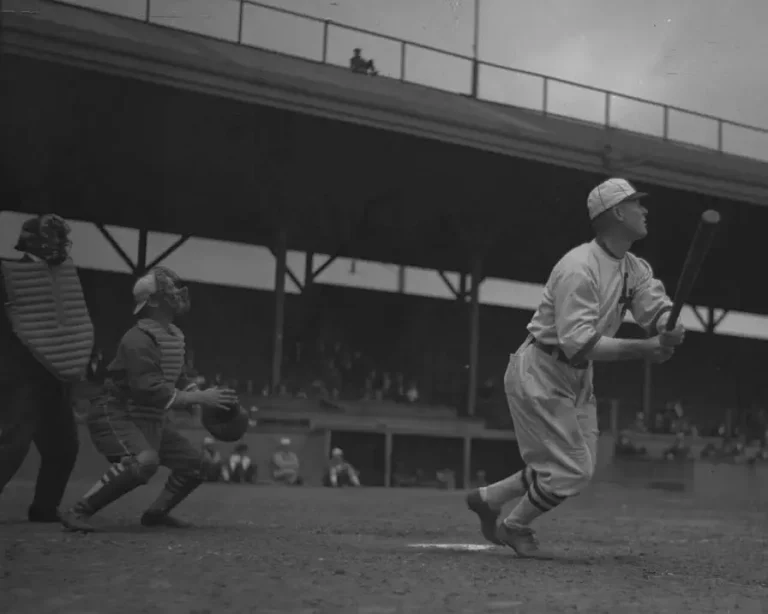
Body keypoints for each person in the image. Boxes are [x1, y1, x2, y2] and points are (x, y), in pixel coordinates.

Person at [465, 178, 685, 558]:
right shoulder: (579, 268)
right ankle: (514, 526)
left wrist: (667, 323)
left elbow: (653, 303)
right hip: (542, 369)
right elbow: (578, 342)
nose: (644, 210)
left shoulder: (633, 266)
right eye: (636, 204)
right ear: (617, 212)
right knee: (574, 470)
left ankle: (488, 499)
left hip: (577, 374)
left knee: (568, 463)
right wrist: (646, 348)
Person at [60, 266, 238, 532]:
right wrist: (199, 396)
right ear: (152, 301)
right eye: (169, 289)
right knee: (144, 461)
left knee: (198, 465)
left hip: (150, 416)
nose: (178, 294)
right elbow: (150, 389)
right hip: (117, 411)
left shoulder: (172, 336)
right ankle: (79, 511)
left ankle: (157, 513)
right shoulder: (137, 339)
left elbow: (175, 376)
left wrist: (203, 393)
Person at [0, 214, 94, 522]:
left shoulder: (64, 278)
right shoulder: (6, 276)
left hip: (55, 378)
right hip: (21, 377)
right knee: (14, 445)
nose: (59, 243)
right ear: (35, 241)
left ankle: (44, 508)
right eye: (53, 236)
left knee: (64, 447)